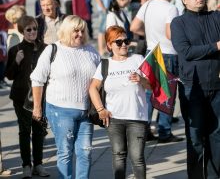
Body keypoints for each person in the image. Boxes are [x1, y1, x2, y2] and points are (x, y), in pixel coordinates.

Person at [30, 15, 100, 179]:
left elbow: (101, 78)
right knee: (66, 152)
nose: (80, 34)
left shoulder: (91, 51)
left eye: (82, 30)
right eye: (76, 31)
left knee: (85, 153)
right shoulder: (53, 50)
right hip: (60, 110)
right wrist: (37, 108)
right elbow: (37, 79)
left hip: (86, 111)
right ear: (66, 31)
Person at [171, 0, 220, 179]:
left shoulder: (216, 17)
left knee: (217, 138)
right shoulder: (178, 23)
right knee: (196, 140)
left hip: (217, 88)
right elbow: (186, 52)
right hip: (193, 89)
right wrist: (216, 46)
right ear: (184, 0)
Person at [89, 25, 150, 179]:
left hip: (137, 117)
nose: (124, 44)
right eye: (119, 42)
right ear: (109, 45)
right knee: (118, 156)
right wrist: (101, 109)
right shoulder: (105, 64)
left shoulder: (138, 59)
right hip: (114, 119)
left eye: (126, 41)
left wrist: (141, 79)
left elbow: (152, 85)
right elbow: (93, 88)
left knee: (137, 159)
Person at [131, 0, 183, 143]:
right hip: (168, 52)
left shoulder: (147, 5)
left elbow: (134, 27)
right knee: (166, 93)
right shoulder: (171, 8)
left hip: (151, 50)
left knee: (148, 92)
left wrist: (149, 35)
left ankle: (144, 129)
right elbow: (169, 34)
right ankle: (164, 131)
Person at [4, 15, 49, 178]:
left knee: (39, 131)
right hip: (21, 97)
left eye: (35, 29)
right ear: (22, 31)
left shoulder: (45, 48)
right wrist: (16, 61)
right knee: (24, 131)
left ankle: (38, 164)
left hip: (40, 96)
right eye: (28, 29)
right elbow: (9, 75)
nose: (32, 32)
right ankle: (26, 166)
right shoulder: (16, 50)